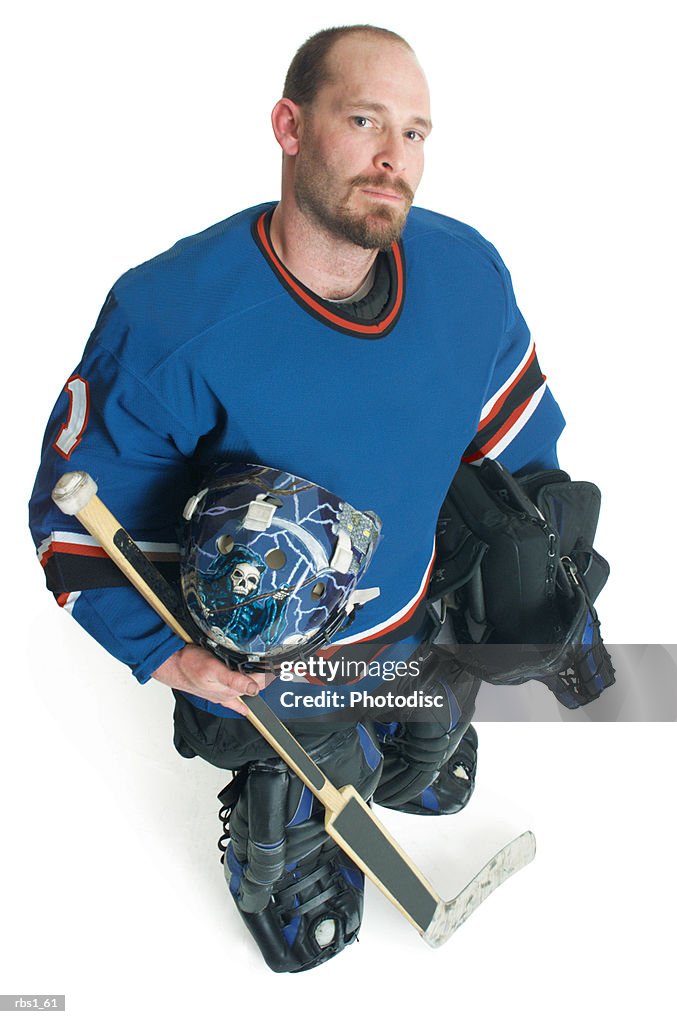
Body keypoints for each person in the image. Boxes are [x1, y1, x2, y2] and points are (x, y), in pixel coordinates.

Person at [29, 25, 565, 971]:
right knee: (313, 786)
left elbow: (516, 437)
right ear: (289, 124)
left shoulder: (463, 274)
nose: (392, 157)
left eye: (415, 131)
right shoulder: (171, 320)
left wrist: (540, 554)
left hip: (407, 610)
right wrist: (169, 661)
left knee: (436, 727)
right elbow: (74, 522)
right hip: (272, 664)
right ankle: (271, 821)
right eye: (363, 120)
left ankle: (398, 726)